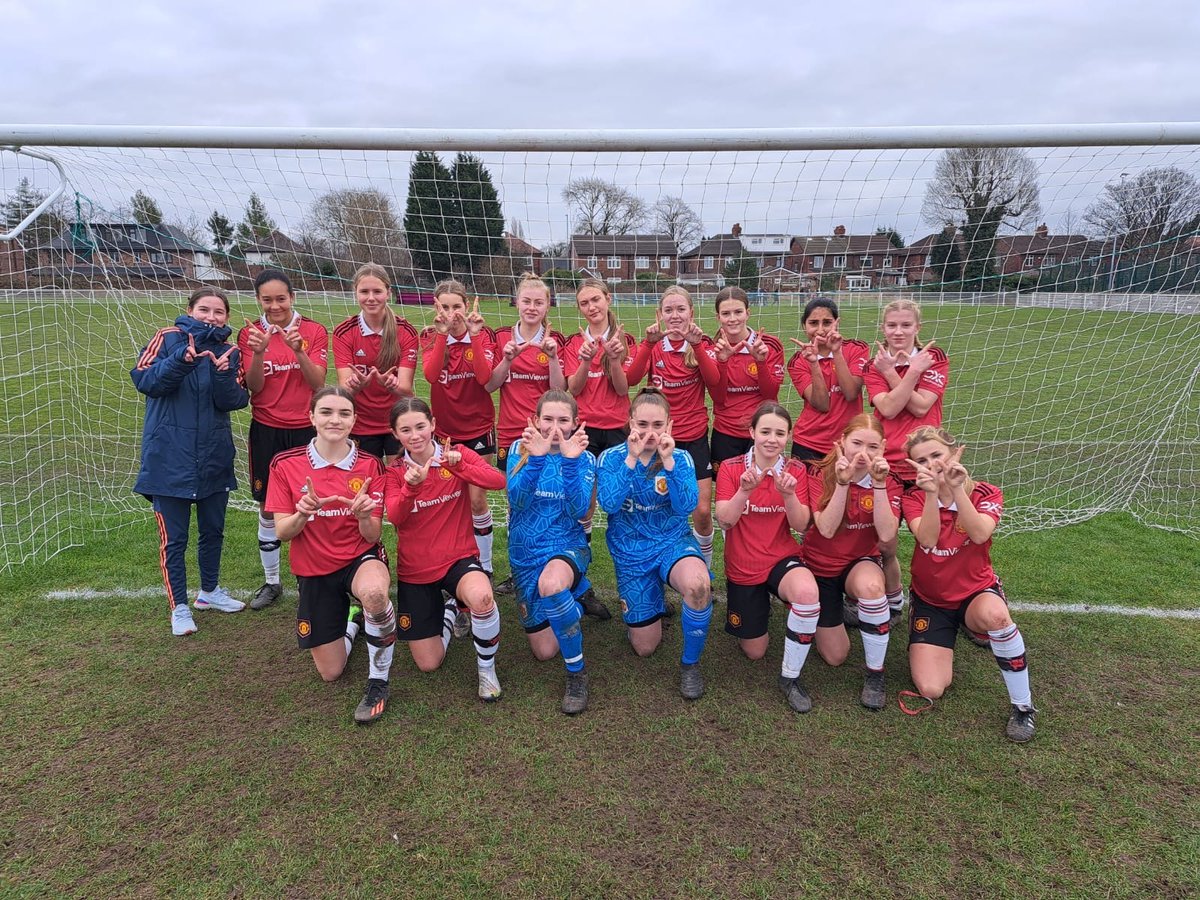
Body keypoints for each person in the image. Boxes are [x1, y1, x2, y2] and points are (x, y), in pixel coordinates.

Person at [265, 387, 394, 725]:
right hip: (314, 567)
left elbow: (373, 536)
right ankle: (354, 621)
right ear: (311, 417)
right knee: (331, 672)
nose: (334, 420)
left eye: (343, 413)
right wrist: (303, 513)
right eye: (326, 412)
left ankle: (378, 682)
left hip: (359, 557)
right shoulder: (285, 464)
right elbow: (282, 532)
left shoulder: (370, 465)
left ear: (354, 421)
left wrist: (365, 515)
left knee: (376, 594)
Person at [902, 426, 1036, 743]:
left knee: (997, 618)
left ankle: (1024, 707)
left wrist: (957, 489)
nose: (931, 464)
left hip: (974, 592)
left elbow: (979, 534)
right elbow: (928, 540)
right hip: (931, 600)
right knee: (931, 688)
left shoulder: (985, 493)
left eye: (936, 455)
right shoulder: (912, 496)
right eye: (921, 460)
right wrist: (933, 494)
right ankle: (959, 628)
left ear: (953, 452)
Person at [131, 287, 249, 636]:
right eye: (204, 309)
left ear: (227, 317)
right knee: (175, 539)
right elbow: (145, 381)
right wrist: (181, 360)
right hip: (169, 459)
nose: (211, 317)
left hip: (214, 458)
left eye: (218, 312)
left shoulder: (230, 350)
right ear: (189, 310)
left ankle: (209, 591)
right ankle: (179, 606)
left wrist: (225, 374)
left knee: (213, 531)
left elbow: (235, 401)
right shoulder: (167, 338)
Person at [383, 398, 509, 701]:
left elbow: (498, 480)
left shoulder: (456, 454)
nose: (415, 435)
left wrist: (461, 467)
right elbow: (395, 517)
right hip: (416, 570)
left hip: (458, 560)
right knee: (429, 664)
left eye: (420, 426)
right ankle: (451, 610)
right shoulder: (394, 472)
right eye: (405, 430)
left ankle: (487, 671)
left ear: (433, 425)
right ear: (395, 434)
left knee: (481, 597)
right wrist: (411, 488)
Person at [597, 388, 714, 700]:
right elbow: (608, 504)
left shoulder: (682, 458)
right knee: (645, 647)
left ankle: (690, 664)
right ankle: (654, 599)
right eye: (642, 424)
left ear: (669, 426)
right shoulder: (611, 458)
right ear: (630, 422)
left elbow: (687, 505)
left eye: (658, 425)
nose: (650, 432)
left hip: (671, 543)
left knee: (699, 585)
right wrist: (632, 459)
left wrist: (669, 462)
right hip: (631, 554)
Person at [714, 402, 824, 713]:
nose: (771, 439)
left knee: (806, 592)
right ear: (752, 433)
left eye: (779, 433)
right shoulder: (733, 468)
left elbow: (801, 525)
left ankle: (790, 677)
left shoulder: (796, 470)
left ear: (788, 437)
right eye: (765, 431)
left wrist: (788, 495)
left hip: (781, 558)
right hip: (743, 565)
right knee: (754, 651)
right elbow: (724, 520)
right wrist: (744, 492)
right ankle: (758, 610)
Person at [237, 269, 329, 611]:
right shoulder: (249, 333)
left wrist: (299, 351)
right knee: (268, 506)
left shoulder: (314, 331)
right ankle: (272, 581)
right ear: (258, 300)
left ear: (292, 297)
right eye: (267, 300)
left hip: (307, 430)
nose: (275, 306)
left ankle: (314, 576)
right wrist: (259, 352)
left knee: (312, 503)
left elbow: (318, 383)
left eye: (281, 298)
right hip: (267, 429)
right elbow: (254, 387)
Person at [800, 414, 902, 709]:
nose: (863, 453)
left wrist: (879, 486)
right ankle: (831, 608)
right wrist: (843, 484)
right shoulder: (820, 473)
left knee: (871, 587)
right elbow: (828, 529)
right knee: (835, 656)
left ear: (882, 448)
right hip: (819, 567)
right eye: (856, 443)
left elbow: (885, 536)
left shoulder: (889, 480)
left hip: (859, 561)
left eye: (872, 447)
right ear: (841, 442)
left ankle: (875, 674)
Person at [506, 390, 596, 714]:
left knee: (552, 585)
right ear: (535, 420)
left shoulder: (584, 456)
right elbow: (517, 501)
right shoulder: (519, 449)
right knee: (544, 651)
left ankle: (577, 673)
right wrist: (539, 457)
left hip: (566, 546)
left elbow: (580, 511)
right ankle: (577, 599)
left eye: (563, 420)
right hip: (525, 556)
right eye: (548, 419)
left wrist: (570, 464)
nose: (555, 427)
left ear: (575, 423)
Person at [861, 298, 949, 624]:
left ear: (918, 328)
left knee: (936, 540)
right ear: (883, 329)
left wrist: (901, 372)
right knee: (884, 542)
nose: (898, 332)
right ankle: (894, 599)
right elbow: (886, 409)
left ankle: (941, 602)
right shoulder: (874, 365)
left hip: (927, 463)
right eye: (892, 325)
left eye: (906, 325)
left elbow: (922, 406)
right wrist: (904, 372)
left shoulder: (933, 359)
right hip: (887, 465)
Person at [625, 286, 723, 569]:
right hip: (659, 443)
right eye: (669, 310)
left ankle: (704, 566)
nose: (675, 315)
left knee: (702, 511)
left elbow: (715, 381)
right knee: (660, 508)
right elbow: (631, 379)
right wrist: (646, 344)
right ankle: (657, 563)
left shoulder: (700, 344)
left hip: (693, 441)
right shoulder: (654, 345)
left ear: (691, 313)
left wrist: (697, 346)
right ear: (661, 314)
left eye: (681, 309)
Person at [560, 278, 637, 619]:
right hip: (585, 431)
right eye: (584, 303)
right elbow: (571, 390)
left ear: (608, 299)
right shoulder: (573, 342)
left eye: (595, 300)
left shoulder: (624, 339)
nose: (591, 307)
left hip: (619, 431)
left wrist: (615, 358)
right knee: (584, 509)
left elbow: (623, 389)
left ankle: (637, 584)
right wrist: (584, 360)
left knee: (625, 505)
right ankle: (581, 586)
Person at [485, 273, 566, 596]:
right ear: (516, 302)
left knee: (553, 502)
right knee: (517, 506)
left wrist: (555, 358)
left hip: (550, 437)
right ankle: (520, 570)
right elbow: (490, 384)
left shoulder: (554, 340)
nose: (532, 307)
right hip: (511, 436)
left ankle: (560, 566)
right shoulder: (502, 336)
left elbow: (561, 392)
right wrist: (507, 360)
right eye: (526, 301)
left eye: (539, 302)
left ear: (548, 306)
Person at [420, 280, 498, 579]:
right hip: (444, 434)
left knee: (477, 500)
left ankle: (486, 564)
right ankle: (454, 560)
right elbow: (430, 375)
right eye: (444, 306)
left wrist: (475, 338)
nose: (451, 313)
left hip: (478, 428)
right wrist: (441, 336)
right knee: (450, 502)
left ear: (466, 307)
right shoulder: (429, 336)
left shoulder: (483, 335)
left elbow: (483, 377)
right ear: (436, 308)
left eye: (457, 307)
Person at [333, 263, 418, 462]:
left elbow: (406, 390)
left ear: (388, 292)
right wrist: (357, 385)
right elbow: (344, 392)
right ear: (356, 293)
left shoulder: (405, 331)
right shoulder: (343, 332)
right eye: (364, 292)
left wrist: (392, 384)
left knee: (400, 484)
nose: (371, 298)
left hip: (398, 422)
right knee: (366, 486)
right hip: (361, 423)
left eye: (377, 291)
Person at [785, 297, 869, 463]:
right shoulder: (798, 361)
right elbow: (822, 404)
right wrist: (814, 363)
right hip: (809, 442)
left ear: (837, 323)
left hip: (849, 443)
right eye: (813, 323)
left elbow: (851, 393)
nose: (820, 329)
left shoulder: (857, 349)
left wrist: (836, 352)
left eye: (827, 322)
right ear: (804, 325)